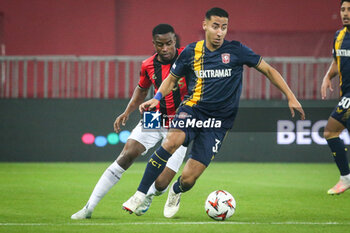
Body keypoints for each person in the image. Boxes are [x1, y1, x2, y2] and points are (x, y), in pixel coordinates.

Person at [123, 7, 305, 218]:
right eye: (215, 26)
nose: (220, 32)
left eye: (224, 27)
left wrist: (290, 96)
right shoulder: (192, 52)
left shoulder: (237, 50)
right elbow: (171, 79)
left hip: (219, 123)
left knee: (189, 179)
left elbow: (268, 70)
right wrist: (156, 98)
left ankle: (175, 191)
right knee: (171, 141)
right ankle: (139, 194)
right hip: (192, 111)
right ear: (205, 26)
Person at [71, 24, 188, 219]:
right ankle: (89, 207)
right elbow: (142, 90)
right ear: (154, 44)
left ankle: (150, 194)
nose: (165, 48)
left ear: (174, 41)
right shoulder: (148, 65)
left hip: (181, 124)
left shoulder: (188, 58)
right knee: (126, 154)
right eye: (160, 44)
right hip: (155, 117)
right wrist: (127, 112)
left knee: (161, 184)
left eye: (169, 43)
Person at [321, 0, 350, 195]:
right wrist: (327, 77)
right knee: (331, 133)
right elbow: (336, 60)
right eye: (343, 9)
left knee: (330, 131)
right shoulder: (338, 36)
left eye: (349, 9)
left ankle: (345, 178)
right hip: (345, 93)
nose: (345, 13)